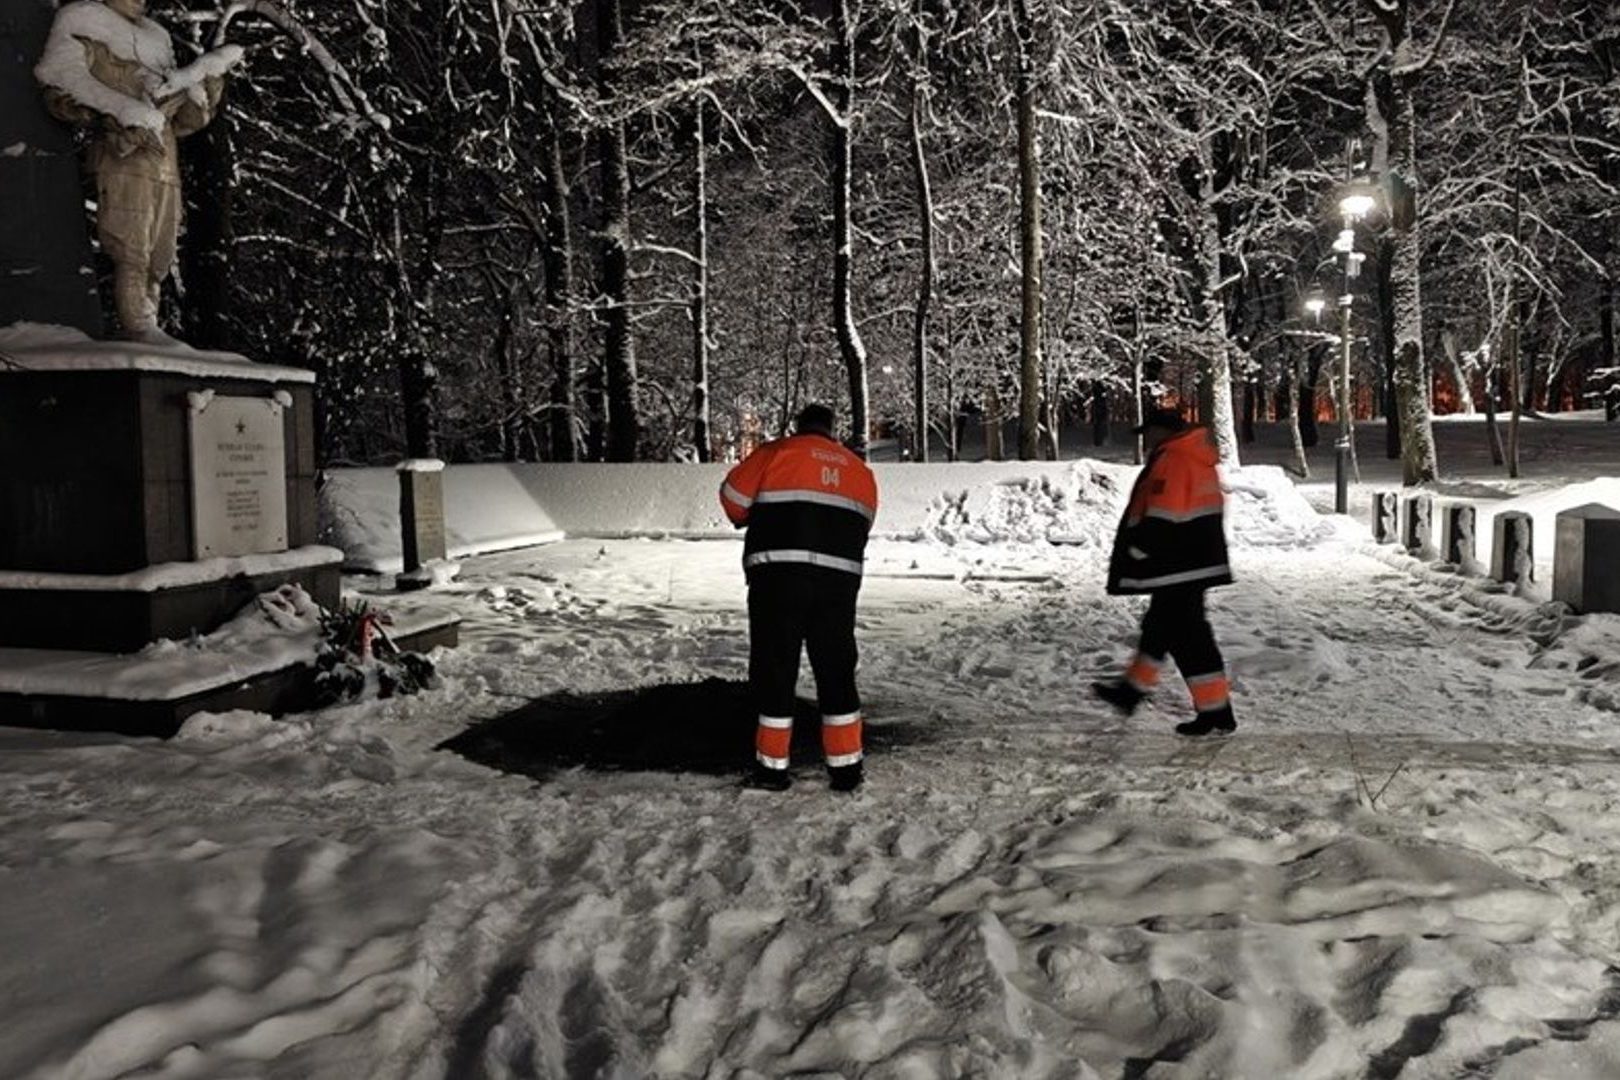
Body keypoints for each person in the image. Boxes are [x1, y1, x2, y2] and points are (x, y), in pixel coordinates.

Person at [35, 0, 241, 344]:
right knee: (130, 248)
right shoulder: (82, 18)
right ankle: (139, 327)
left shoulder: (157, 37)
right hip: (122, 157)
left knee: (159, 256)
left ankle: (151, 328)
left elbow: (187, 121)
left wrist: (206, 83)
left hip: (164, 161)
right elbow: (61, 82)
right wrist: (118, 112)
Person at [720, 404, 878, 792]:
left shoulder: (775, 453)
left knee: (776, 669)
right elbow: (863, 522)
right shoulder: (859, 471)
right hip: (838, 584)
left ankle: (772, 770)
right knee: (837, 669)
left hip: (779, 577)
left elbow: (732, 500)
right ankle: (846, 770)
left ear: (798, 426)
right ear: (832, 429)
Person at [1092, 408, 1236, 736]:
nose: (1147, 439)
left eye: (1150, 432)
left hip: (1176, 564)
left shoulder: (1174, 459)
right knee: (1165, 629)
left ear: (1163, 431)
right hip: (1191, 563)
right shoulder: (1194, 456)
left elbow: (1163, 510)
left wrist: (1140, 548)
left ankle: (1216, 712)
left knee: (1187, 637)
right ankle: (1133, 693)